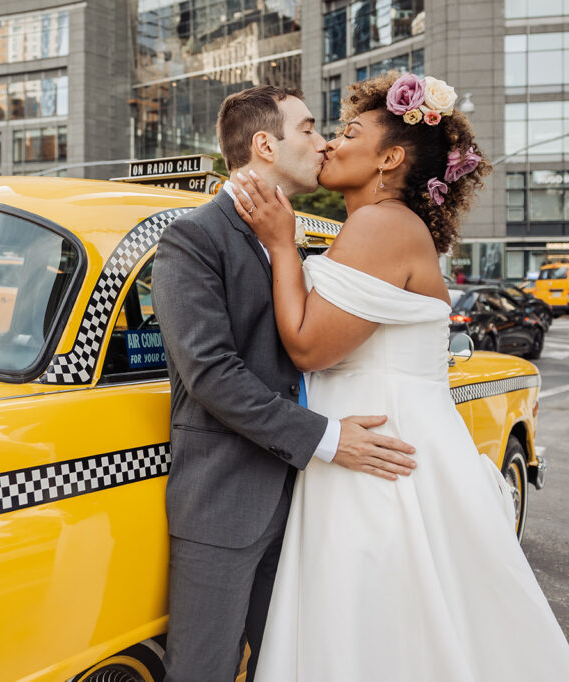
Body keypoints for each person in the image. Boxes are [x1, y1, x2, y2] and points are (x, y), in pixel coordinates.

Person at [231, 72, 569, 680]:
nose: (331, 144)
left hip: (383, 463)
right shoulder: (374, 226)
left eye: (348, 132)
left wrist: (282, 246)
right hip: (373, 446)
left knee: (376, 626)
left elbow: (308, 347)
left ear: (389, 158)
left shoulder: (381, 224)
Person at [151, 86, 419, 682]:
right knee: (204, 671)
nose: (323, 142)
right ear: (265, 144)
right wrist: (327, 438)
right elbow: (210, 373)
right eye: (308, 129)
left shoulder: (289, 237)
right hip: (226, 504)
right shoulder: (192, 239)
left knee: (293, 665)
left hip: (307, 501)